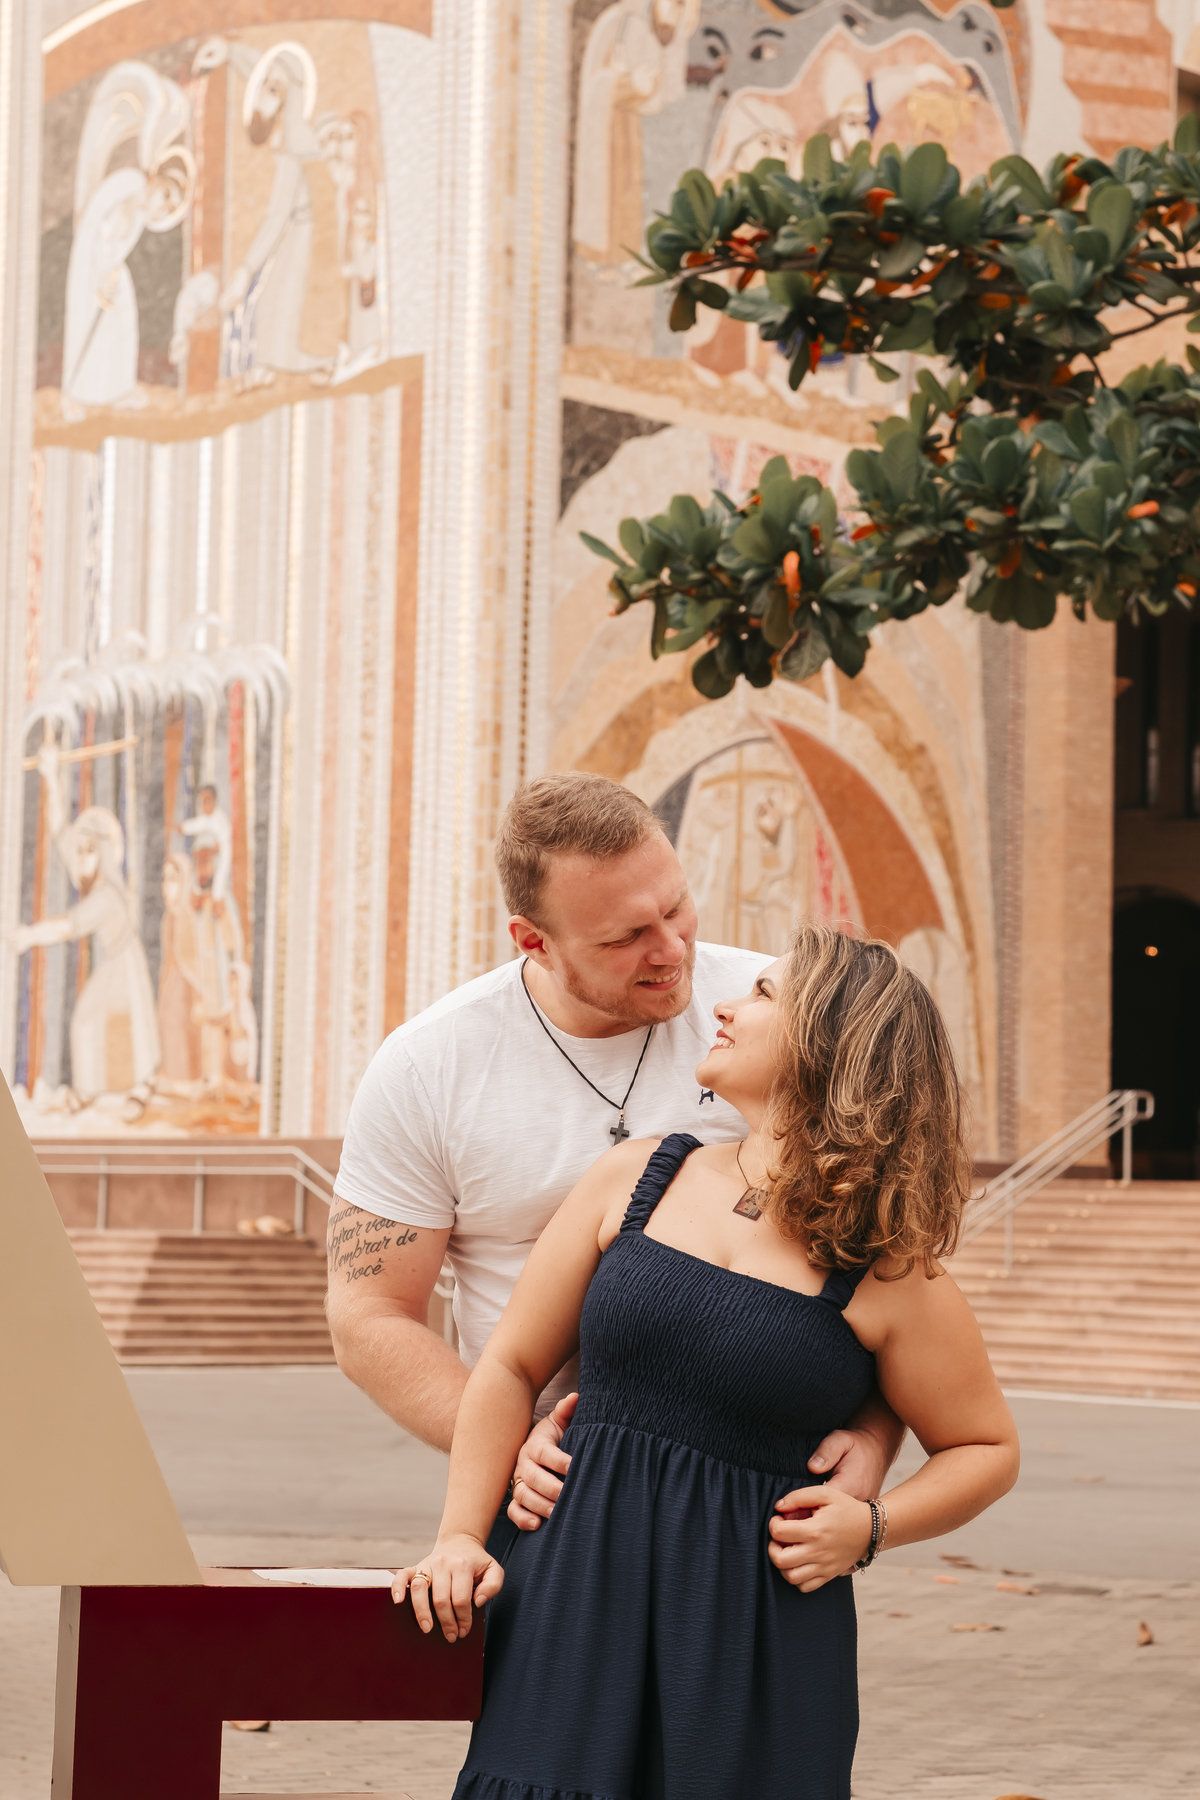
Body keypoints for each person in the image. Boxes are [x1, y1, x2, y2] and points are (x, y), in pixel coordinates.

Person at [395, 924, 1020, 1799]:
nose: (724, 1006)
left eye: (763, 995)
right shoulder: (634, 1176)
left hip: (751, 1635)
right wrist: (461, 1535)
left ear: (829, 1046)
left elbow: (986, 1447)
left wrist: (872, 1528)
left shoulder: (888, 1270)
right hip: (570, 1591)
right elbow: (509, 1367)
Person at [327, 773, 903, 1557]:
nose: (670, 950)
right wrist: (511, 1449)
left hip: (752, 1502)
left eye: (676, 908)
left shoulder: (778, 1014)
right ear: (533, 940)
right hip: (539, 1504)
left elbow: (892, 1255)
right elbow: (370, 1316)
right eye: (624, 937)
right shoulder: (428, 1068)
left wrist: (874, 1432)